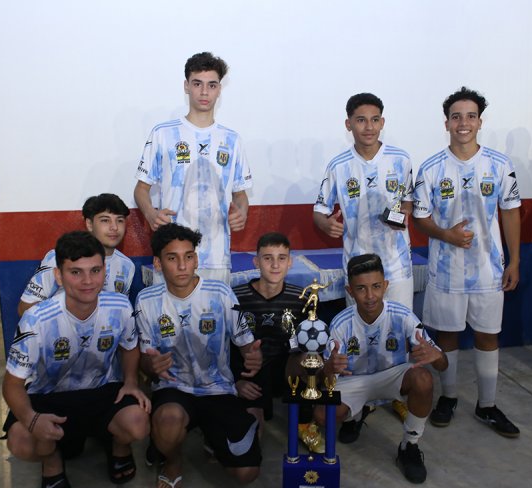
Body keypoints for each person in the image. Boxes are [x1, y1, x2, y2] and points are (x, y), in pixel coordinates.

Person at [2, 231, 151, 488]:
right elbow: (11, 384)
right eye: (75, 272)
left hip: (101, 392)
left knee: (138, 423)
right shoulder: (36, 319)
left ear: (105, 271)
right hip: (49, 398)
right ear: (58, 276)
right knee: (21, 441)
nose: (88, 281)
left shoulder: (119, 306)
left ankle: (118, 446)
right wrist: (32, 419)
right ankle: (52, 461)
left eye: (95, 270)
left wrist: (131, 381)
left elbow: (130, 346)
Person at [412, 87, 521, 437]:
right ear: (446, 123)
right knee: (448, 335)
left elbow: (510, 213)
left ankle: (487, 404)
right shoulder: (431, 168)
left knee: (488, 335)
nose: (463, 123)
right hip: (446, 272)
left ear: (480, 122)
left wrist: (514, 261)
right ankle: (449, 397)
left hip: (489, 270)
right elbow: (420, 218)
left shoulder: (499, 165)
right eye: (456, 116)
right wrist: (446, 235)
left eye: (470, 116)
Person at [135, 223, 262, 488]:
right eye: (172, 258)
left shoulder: (221, 293)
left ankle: (212, 437)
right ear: (158, 263)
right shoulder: (146, 300)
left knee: (247, 473)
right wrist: (150, 366)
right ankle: (172, 462)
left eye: (189, 256)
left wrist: (253, 357)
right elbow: (145, 359)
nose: (182, 265)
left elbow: (246, 344)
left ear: (196, 259)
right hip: (174, 388)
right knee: (168, 421)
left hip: (218, 389)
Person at [315, 254, 447, 484]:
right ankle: (356, 414)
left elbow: (443, 365)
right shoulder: (340, 324)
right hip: (354, 381)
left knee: (423, 379)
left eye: (376, 286)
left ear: (385, 286)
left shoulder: (403, 316)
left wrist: (437, 356)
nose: (370, 296)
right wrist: (327, 368)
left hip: (392, 375)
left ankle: (409, 446)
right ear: (349, 291)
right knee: (321, 415)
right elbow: (322, 379)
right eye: (361, 289)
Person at [134, 51, 252, 285]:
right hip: (172, 255)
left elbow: (240, 195)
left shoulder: (232, 140)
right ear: (186, 86)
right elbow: (141, 189)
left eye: (212, 85)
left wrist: (242, 213)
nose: (204, 92)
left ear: (219, 89)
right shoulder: (163, 134)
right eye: (197, 84)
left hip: (217, 258)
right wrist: (150, 214)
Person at [313, 92, 415, 309]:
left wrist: (404, 214)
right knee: (359, 329)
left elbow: (408, 201)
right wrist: (325, 224)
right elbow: (319, 211)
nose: (369, 127)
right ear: (348, 124)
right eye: (361, 120)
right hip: (357, 267)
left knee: (399, 327)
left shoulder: (401, 159)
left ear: (382, 122)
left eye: (374, 120)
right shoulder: (338, 166)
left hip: (397, 267)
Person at [229, 232, 323, 453]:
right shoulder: (235, 297)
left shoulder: (302, 298)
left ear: (290, 262)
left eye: (281, 258)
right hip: (251, 372)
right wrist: (235, 382)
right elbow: (223, 346)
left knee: (311, 359)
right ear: (256, 262)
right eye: (267, 258)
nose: (274, 265)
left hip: (285, 367)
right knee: (252, 440)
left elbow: (310, 341)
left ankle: (304, 420)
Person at [18, 193, 134, 317]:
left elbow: (120, 312)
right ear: (89, 224)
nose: (114, 227)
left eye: (120, 220)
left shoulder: (127, 266)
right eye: (105, 220)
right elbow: (24, 309)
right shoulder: (60, 257)